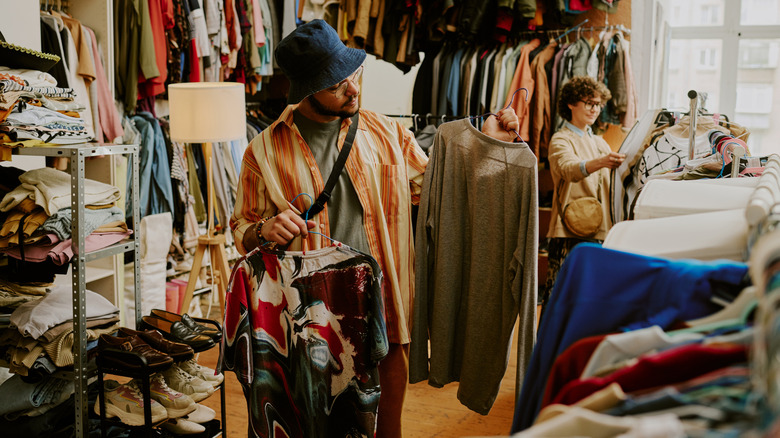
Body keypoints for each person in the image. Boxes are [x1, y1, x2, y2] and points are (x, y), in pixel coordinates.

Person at [229, 19, 519, 438]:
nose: (353, 89)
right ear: (308, 90)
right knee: (320, 420)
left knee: (389, 424)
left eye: (354, 75)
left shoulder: (387, 133)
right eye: (336, 84)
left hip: (385, 296)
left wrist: (490, 143)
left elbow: (439, 191)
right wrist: (265, 228)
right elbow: (241, 226)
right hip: (313, 311)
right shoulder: (265, 150)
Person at [541, 76, 626, 309]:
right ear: (571, 104)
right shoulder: (561, 139)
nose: (594, 109)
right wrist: (601, 162)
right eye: (589, 102)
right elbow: (568, 169)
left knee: (588, 301)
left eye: (598, 104)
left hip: (600, 228)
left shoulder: (599, 142)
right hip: (570, 229)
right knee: (560, 298)